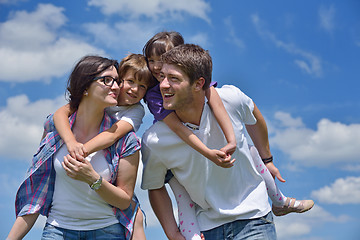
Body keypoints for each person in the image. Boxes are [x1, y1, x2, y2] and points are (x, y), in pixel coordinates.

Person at [143, 32, 314, 240]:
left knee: (250, 151)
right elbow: (155, 186)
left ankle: (281, 201)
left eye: (173, 77)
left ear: (198, 83)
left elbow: (255, 119)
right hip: (205, 226)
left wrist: (266, 158)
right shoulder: (156, 138)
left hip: (253, 218)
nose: (162, 81)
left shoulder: (229, 98)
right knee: (181, 194)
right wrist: (172, 233)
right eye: (160, 73)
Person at [8, 55, 142, 240]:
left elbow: (124, 201)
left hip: (107, 230)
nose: (117, 87)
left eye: (117, 81)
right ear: (85, 87)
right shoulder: (55, 128)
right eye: (107, 80)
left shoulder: (126, 139)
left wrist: (92, 178)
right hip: (57, 230)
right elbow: (37, 193)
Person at [48, 53, 155, 240]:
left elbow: (112, 134)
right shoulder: (103, 98)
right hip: (63, 220)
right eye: (130, 81)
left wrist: (81, 151)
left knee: (135, 215)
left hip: (111, 178)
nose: (135, 89)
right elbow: (59, 114)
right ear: (119, 81)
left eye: (143, 86)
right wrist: (71, 141)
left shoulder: (135, 110)